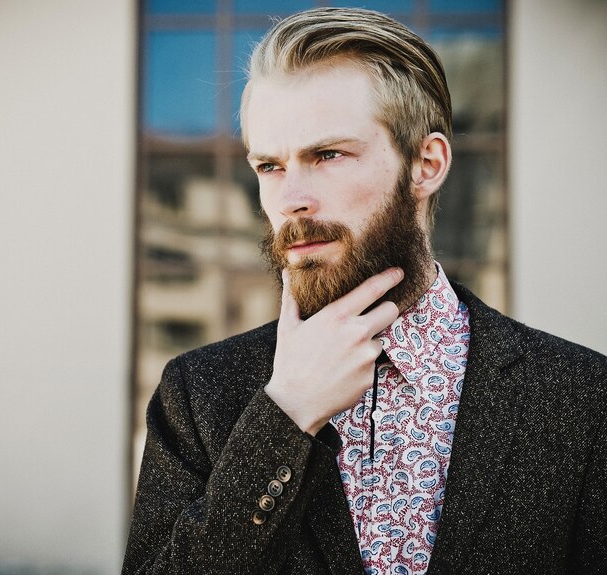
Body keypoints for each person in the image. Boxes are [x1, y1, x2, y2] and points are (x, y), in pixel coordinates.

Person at [122, 7, 607, 575]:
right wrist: (287, 415)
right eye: (270, 166)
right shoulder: (197, 395)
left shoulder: (582, 399)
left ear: (426, 164)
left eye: (327, 155)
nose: (291, 199)